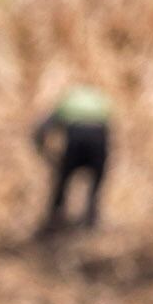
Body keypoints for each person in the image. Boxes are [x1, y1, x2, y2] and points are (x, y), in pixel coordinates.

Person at [33, 84, 112, 235]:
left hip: (75, 141)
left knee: (63, 179)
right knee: (96, 181)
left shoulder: (67, 105)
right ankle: (91, 220)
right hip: (99, 142)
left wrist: (47, 155)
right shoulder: (101, 106)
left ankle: (55, 217)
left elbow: (42, 131)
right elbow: (109, 132)